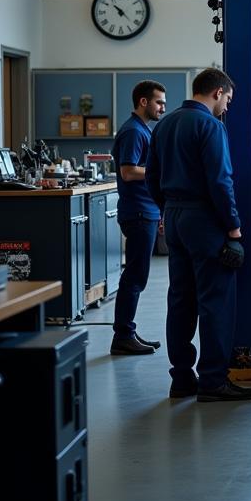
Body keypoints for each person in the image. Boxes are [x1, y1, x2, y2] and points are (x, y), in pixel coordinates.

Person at [146, 67, 251, 402]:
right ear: (217, 92)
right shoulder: (209, 125)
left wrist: (167, 209)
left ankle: (181, 379)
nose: (227, 107)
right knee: (215, 302)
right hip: (205, 220)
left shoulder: (165, 124)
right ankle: (212, 381)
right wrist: (234, 228)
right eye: (228, 100)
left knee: (181, 300)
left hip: (175, 217)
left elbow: (151, 175)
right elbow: (220, 182)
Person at [110, 80, 167, 356]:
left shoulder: (142, 130)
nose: (162, 108)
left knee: (137, 275)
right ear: (143, 102)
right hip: (138, 212)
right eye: (159, 102)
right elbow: (128, 171)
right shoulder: (134, 131)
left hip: (145, 211)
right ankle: (123, 336)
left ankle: (128, 331)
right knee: (134, 276)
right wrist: (159, 171)